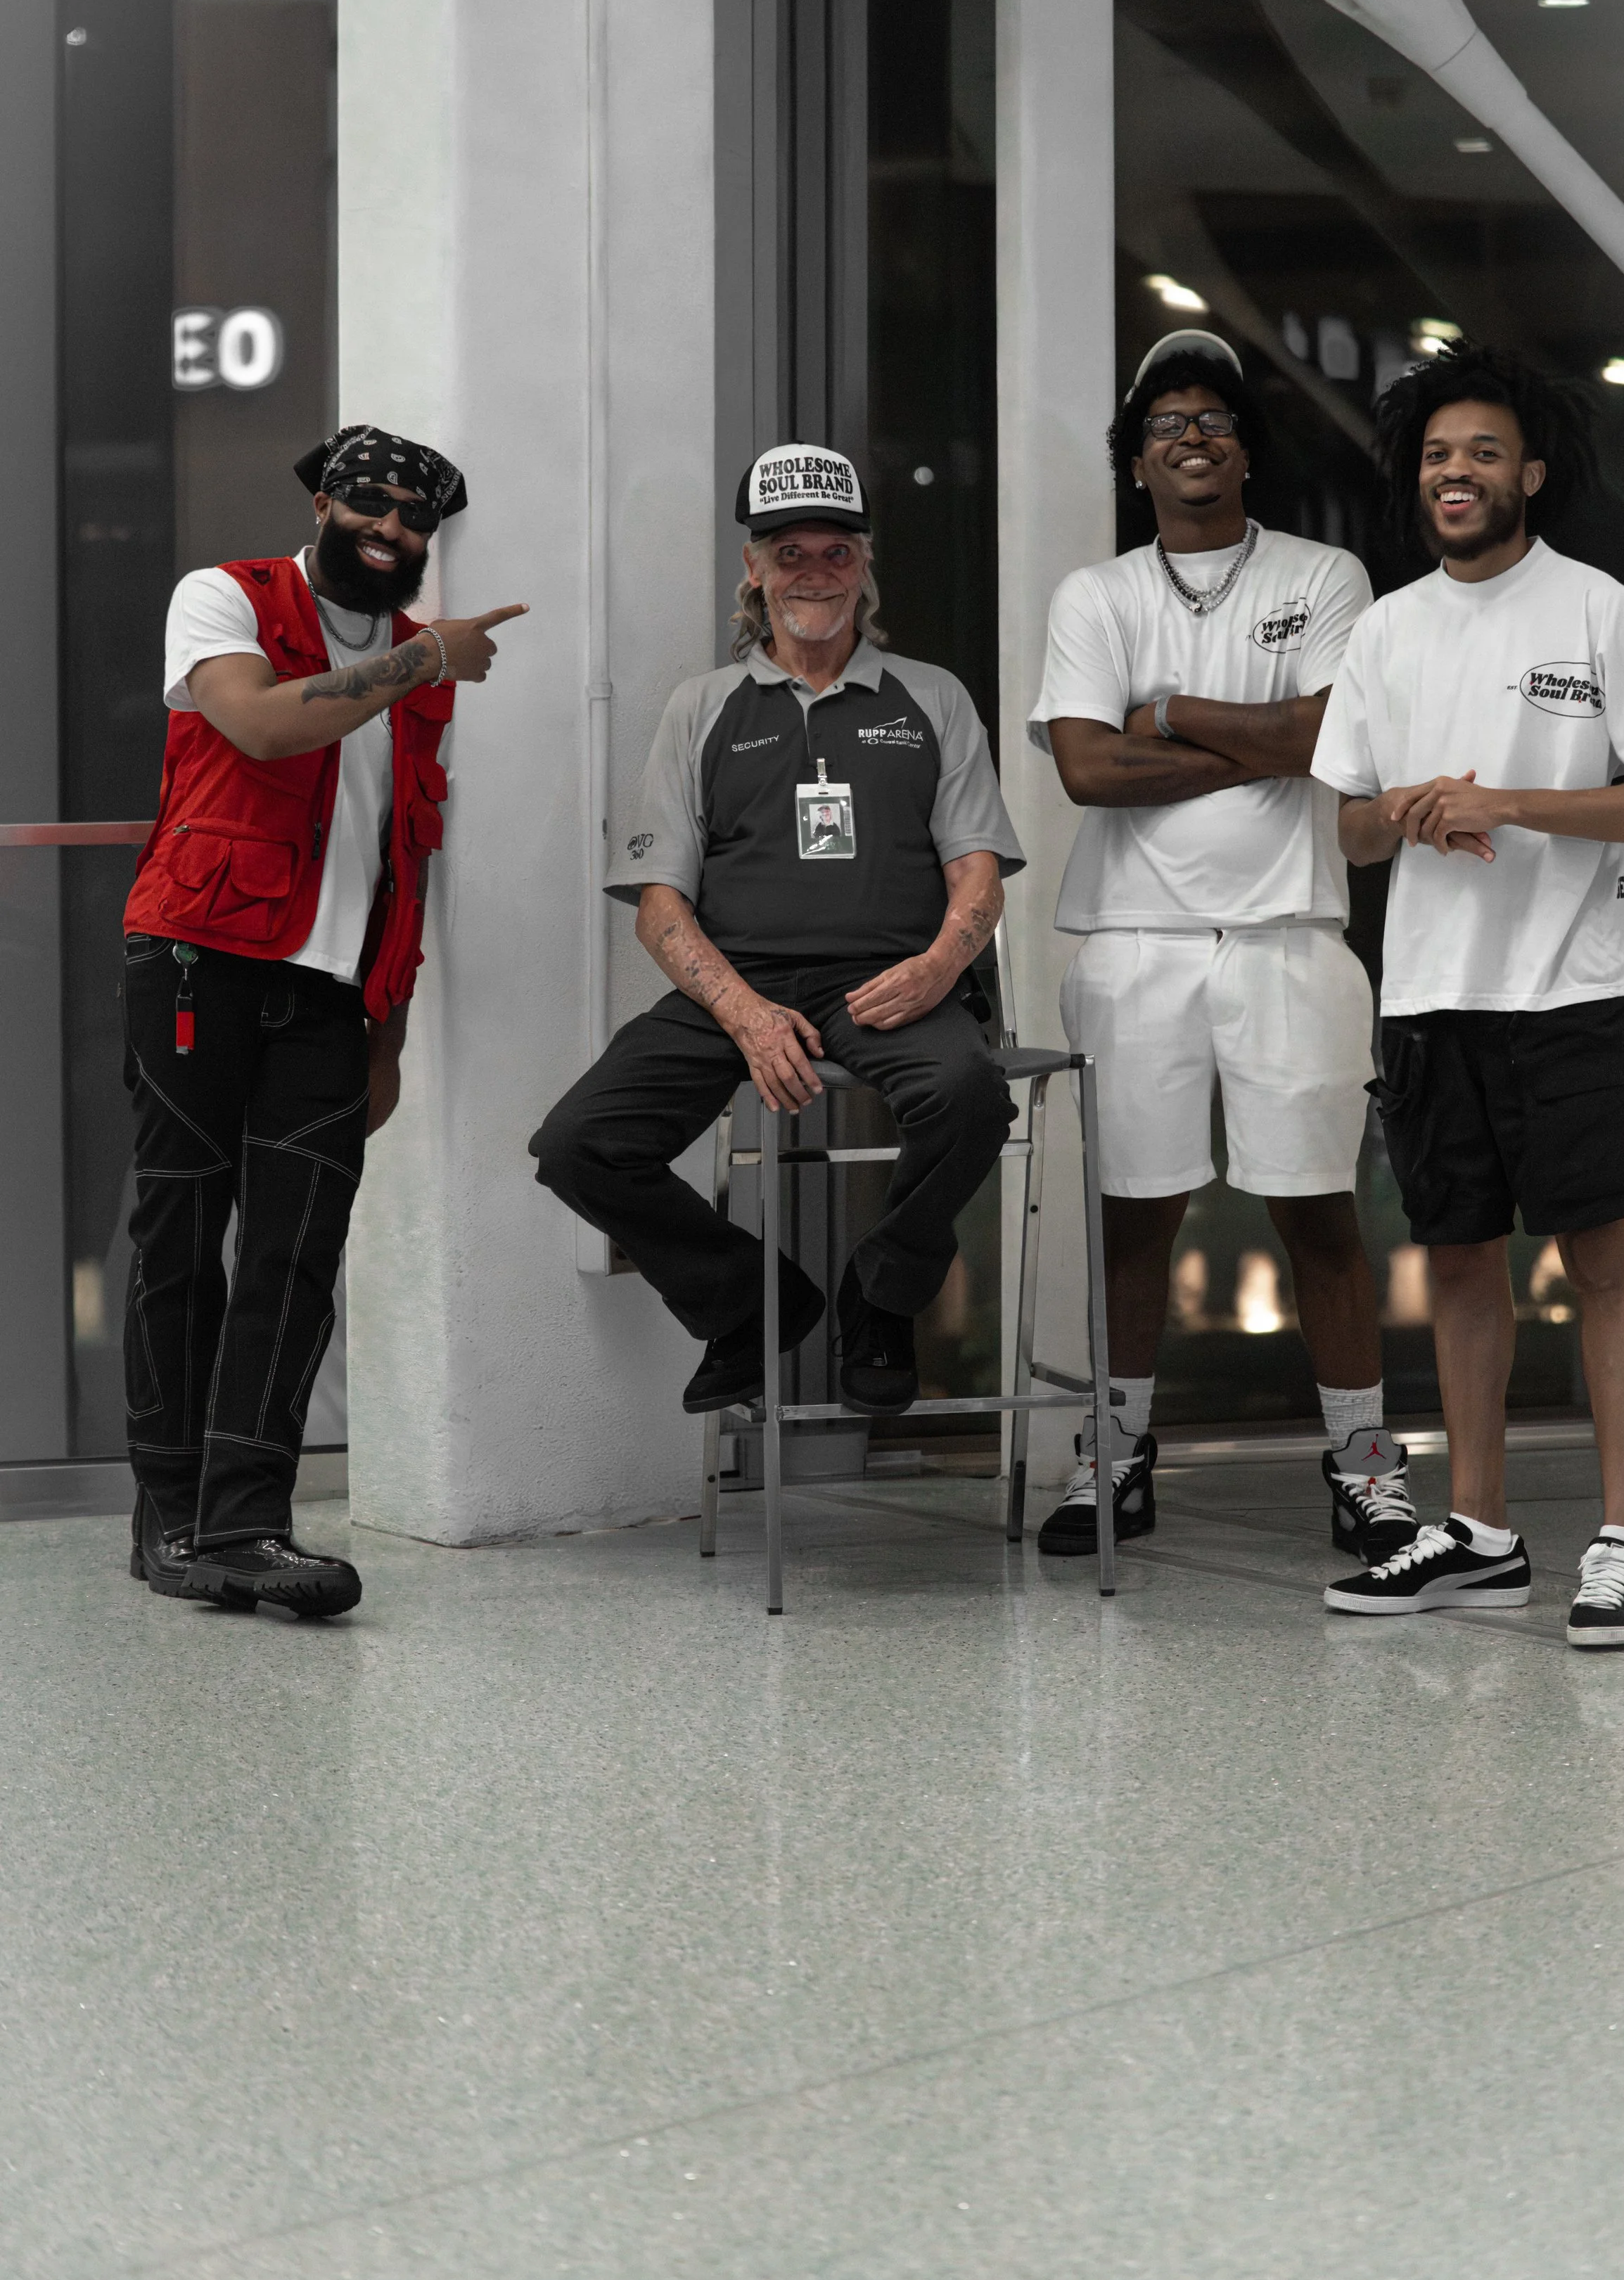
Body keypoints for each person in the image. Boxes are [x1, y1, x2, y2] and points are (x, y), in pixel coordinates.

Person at [1312, 341, 1624, 1647]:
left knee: (1599, 1262)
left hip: (1575, 988)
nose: (1456, 472)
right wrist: (1413, 814)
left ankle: (1622, 1541)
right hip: (1430, 991)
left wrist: (1507, 800)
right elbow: (1350, 832)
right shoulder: (1387, 628)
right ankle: (1476, 1531)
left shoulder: (1600, 610)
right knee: (1461, 1256)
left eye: (1482, 451)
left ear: (1529, 470)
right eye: (1436, 456)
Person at [123, 424, 527, 1618]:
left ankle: (248, 1524)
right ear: (321, 504)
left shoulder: (417, 666)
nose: (392, 531)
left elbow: (404, 855)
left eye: (416, 521)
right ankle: (169, 1515)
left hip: (329, 998)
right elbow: (258, 724)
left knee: (297, 1259)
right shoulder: (226, 598)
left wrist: (386, 1031)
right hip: (199, 960)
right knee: (182, 1243)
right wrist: (426, 662)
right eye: (372, 505)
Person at [530, 443, 1022, 1416]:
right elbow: (662, 904)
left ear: (866, 563)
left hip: (891, 980)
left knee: (970, 1094)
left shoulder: (932, 696)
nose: (813, 571)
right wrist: (747, 1015)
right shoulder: (704, 707)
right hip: (739, 980)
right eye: (787, 551)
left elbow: (978, 877)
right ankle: (750, 1303)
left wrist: (936, 967)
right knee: (579, 1142)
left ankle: (881, 1294)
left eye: (834, 552)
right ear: (752, 568)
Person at [1029, 328, 1403, 1561]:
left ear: (1247, 450)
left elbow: (1330, 738)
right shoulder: (1099, 595)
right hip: (1134, 940)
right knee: (1137, 1214)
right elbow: (1088, 768)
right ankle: (1117, 1459)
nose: (1192, 438)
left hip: (1291, 930)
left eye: (1214, 421)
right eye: (1166, 426)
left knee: (1321, 1213)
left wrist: (1175, 712)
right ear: (1136, 464)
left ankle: (1364, 1465)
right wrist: (1264, 734)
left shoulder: (1326, 574)